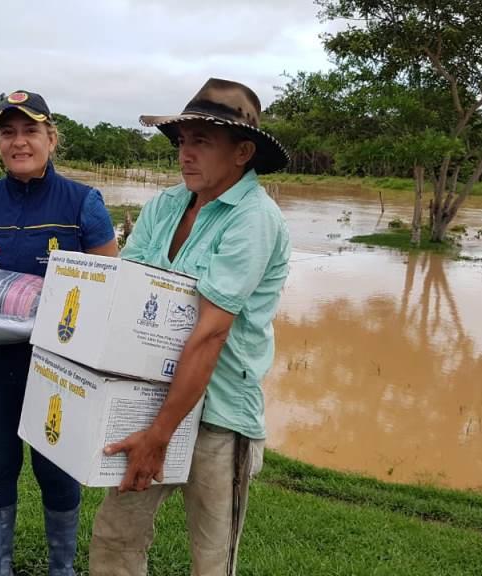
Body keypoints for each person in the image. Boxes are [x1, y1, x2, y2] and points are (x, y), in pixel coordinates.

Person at [88, 78, 292, 575]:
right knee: (115, 532)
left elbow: (211, 333)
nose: (185, 154)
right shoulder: (165, 205)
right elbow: (129, 293)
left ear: (243, 151)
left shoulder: (254, 218)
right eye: (182, 141)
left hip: (220, 415)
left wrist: (159, 435)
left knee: (212, 555)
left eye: (202, 141)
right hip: (151, 399)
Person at [0, 90, 119, 576]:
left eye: (30, 131)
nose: (19, 141)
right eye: (8, 132)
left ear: (51, 137)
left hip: (58, 369)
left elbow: (111, 285)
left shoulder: (82, 202)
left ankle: (62, 567)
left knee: (56, 471)